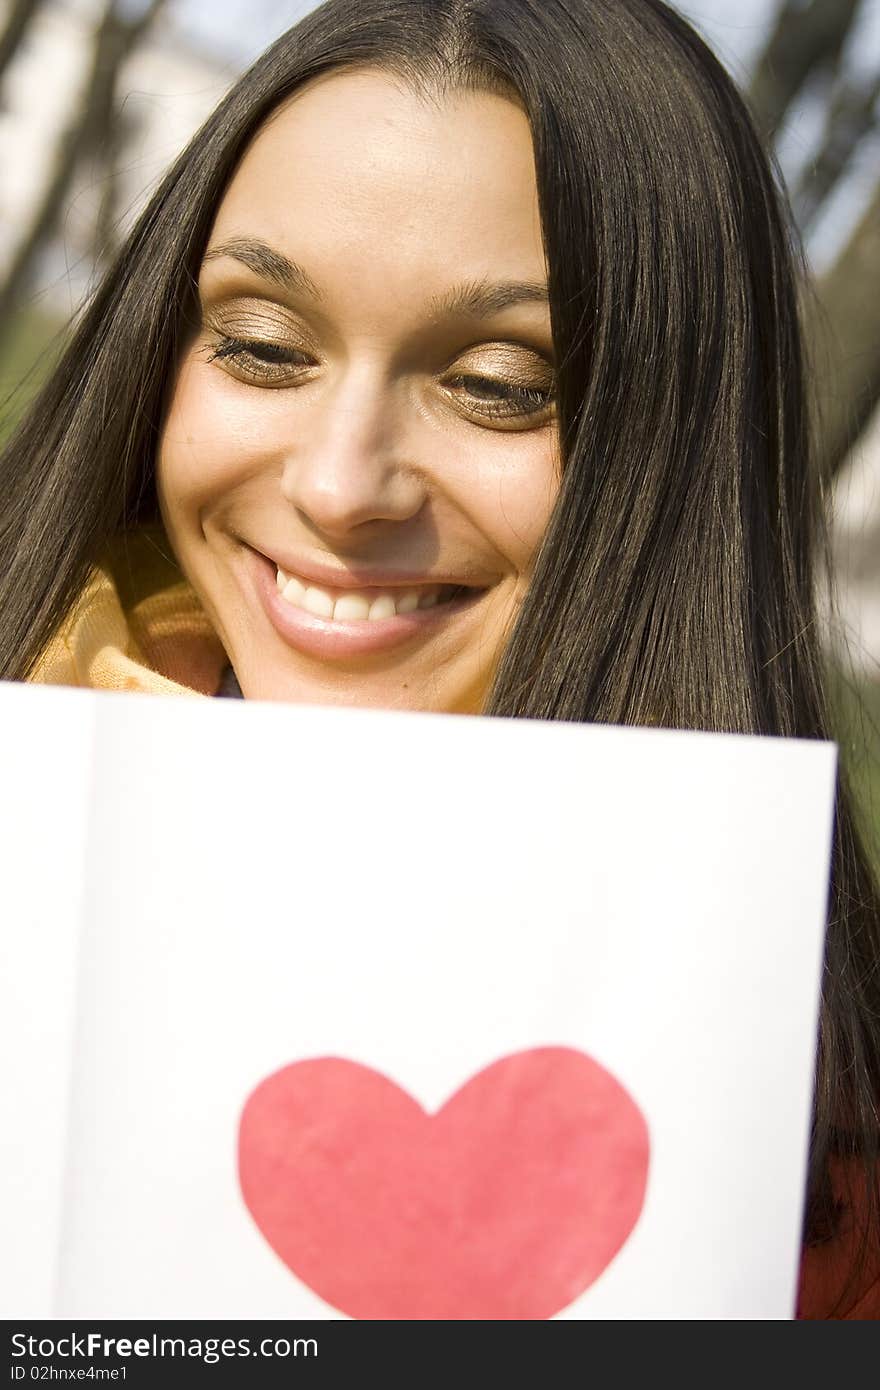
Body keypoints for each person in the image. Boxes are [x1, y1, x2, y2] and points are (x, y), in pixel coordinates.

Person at [1, 0, 878, 1318]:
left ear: (676, 465)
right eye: (261, 347)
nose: (341, 482)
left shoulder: (817, 1200)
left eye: (498, 382)